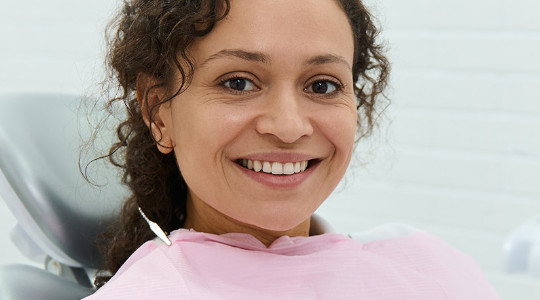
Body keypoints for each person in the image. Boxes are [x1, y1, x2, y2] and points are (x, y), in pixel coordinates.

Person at [85, 0, 500, 298]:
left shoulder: (429, 264)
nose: (288, 127)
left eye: (322, 85)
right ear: (158, 111)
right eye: (238, 82)